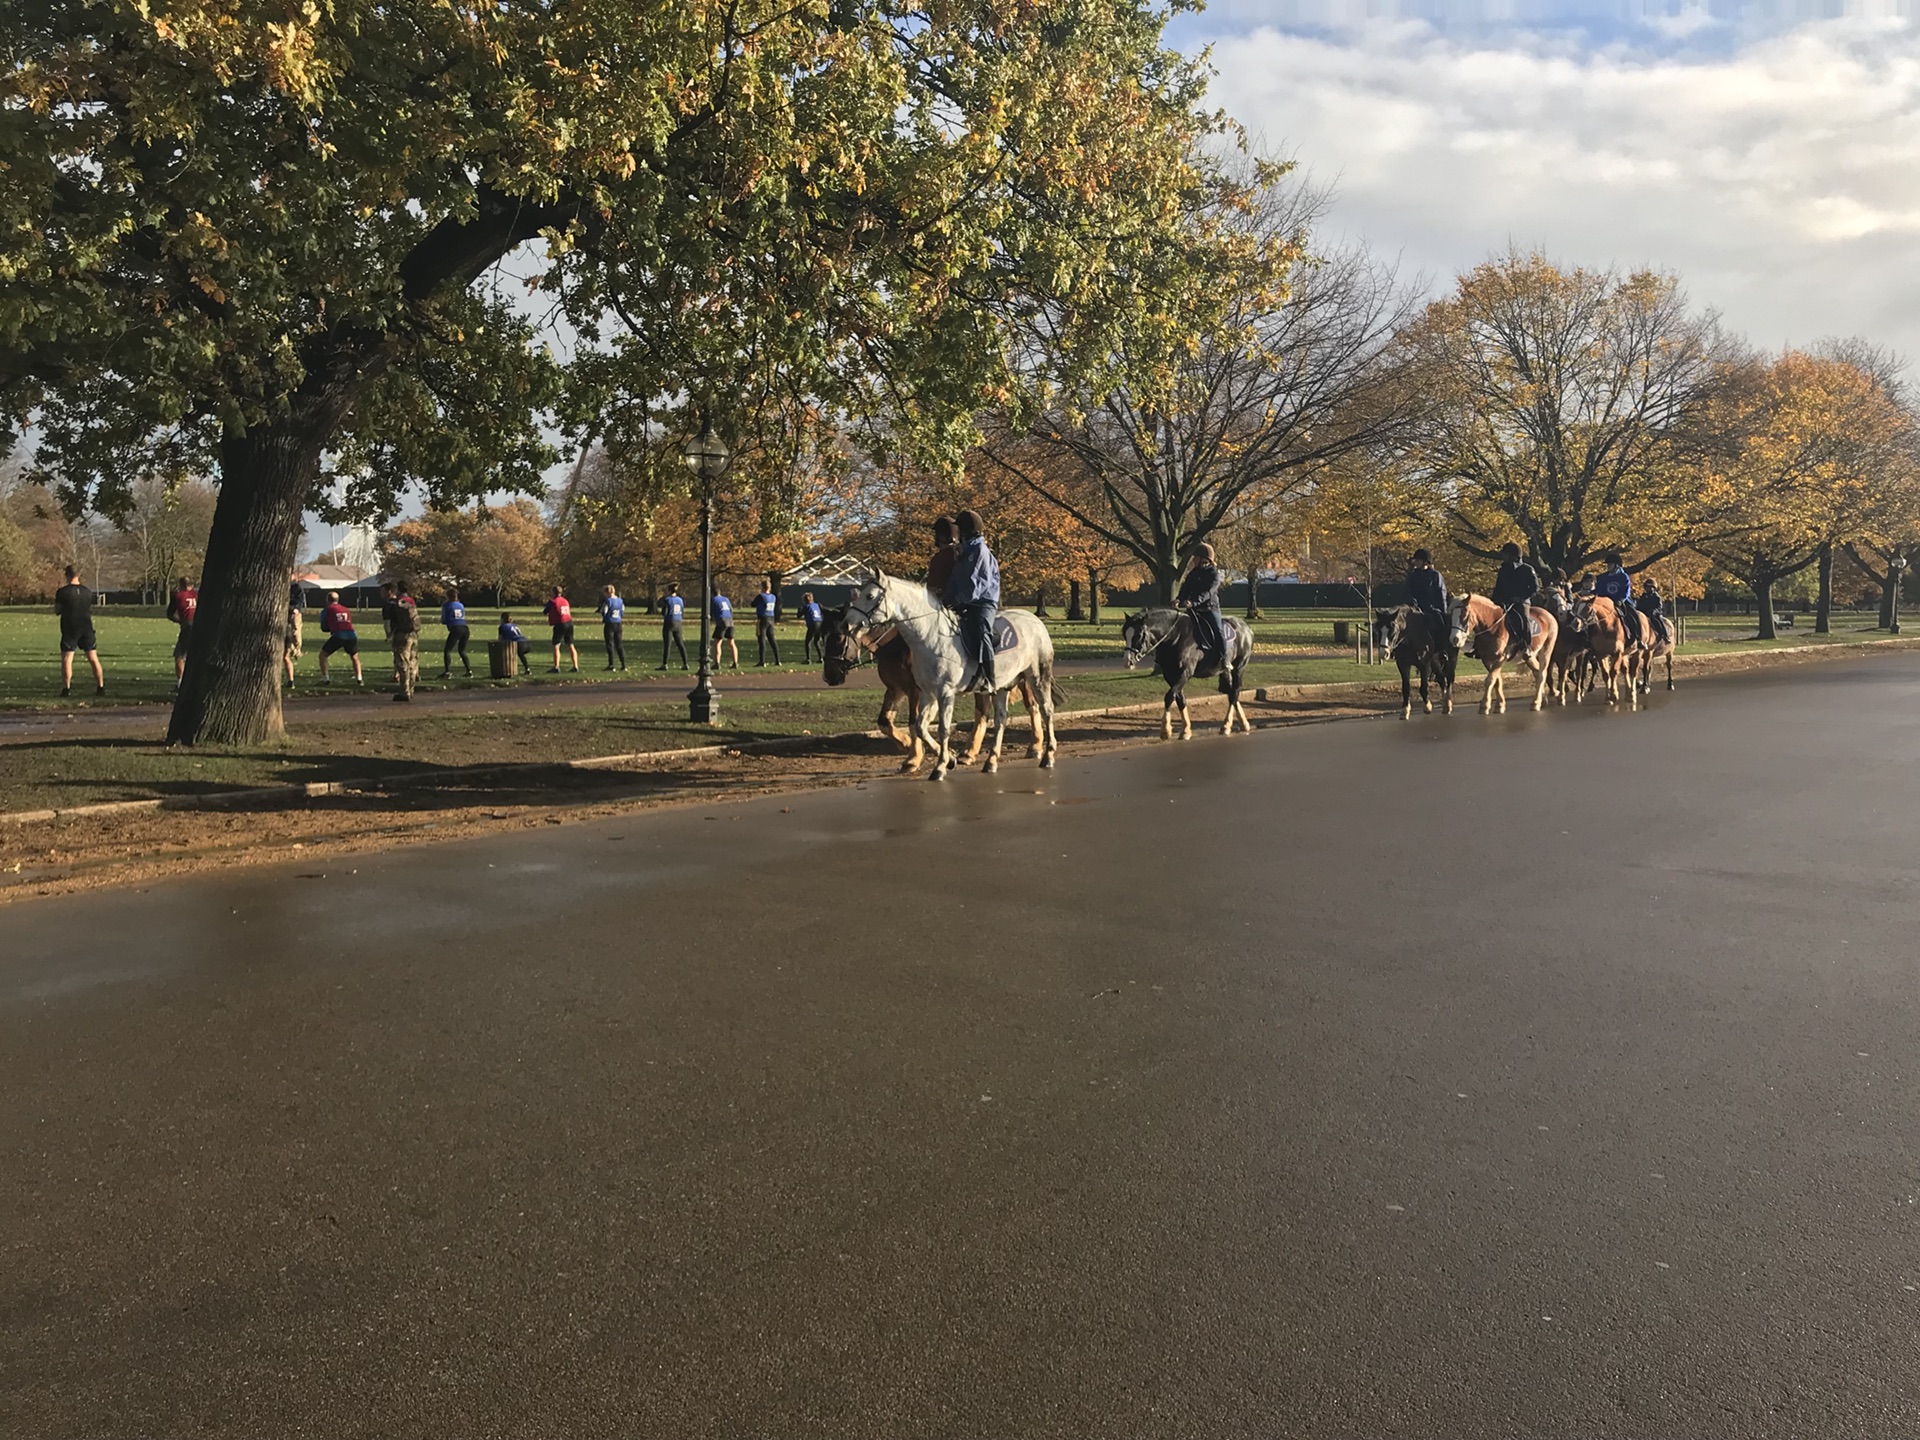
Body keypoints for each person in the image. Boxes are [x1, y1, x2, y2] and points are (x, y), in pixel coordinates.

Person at [943, 509, 1001, 692]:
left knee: (982, 631)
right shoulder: (963, 551)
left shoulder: (980, 551)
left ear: (967, 531)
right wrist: (946, 599)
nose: (958, 534)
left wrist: (960, 599)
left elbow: (980, 584)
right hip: (964, 600)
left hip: (984, 601)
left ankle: (989, 678)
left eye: (960, 530)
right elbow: (954, 578)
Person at [1176, 543, 1229, 680]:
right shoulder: (1193, 573)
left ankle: (1225, 659)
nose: (1193, 560)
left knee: (1218, 631)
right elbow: (1186, 588)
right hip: (1194, 609)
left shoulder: (1214, 575)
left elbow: (1208, 593)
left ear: (1203, 559)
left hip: (1210, 609)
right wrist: (1178, 599)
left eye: (1195, 558)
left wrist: (1194, 602)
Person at [53, 565, 104, 698]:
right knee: (93, 658)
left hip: (70, 628)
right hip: (86, 627)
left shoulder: (62, 592)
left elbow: (57, 610)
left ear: (66, 575)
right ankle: (100, 687)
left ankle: (66, 689)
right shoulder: (87, 592)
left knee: (67, 659)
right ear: (78, 575)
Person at [1490, 542, 1540, 658]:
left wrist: (1521, 598)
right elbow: (1498, 588)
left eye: (1505, 555)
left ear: (1514, 556)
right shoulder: (1503, 570)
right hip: (1504, 600)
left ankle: (1526, 645)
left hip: (1521, 601)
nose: (1503, 557)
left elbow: (1535, 587)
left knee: (1523, 618)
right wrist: (1493, 601)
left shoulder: (1527, 569)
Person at [381, 579, 420, 701]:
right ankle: (411, 689)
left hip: (401, 635)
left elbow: (388, 622)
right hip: (413, 634)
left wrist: (389, 636)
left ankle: (404, 691)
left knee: (403, 663)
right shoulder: (410, 601)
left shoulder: (394, 603)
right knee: (413, 662)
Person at [317, 590, 364, 685]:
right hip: (351, 634)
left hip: (338, 635)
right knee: (354, 657)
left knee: (323, 655)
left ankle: (325, 678)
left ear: (327, 600)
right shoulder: (346, 609)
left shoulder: (327, 609)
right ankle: (359, 679)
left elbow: (324, 627)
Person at [1594, 551, 1642, 643]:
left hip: (1622, 601)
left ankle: (1638, 637)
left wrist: (1620, 600)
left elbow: (1626, 591)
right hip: (1607, 603)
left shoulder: (1623, 577)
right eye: (1608, 564)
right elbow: (1600, 590)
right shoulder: (1604, 577)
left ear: (1616, 565)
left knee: (1633, 615)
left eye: (1610, 564)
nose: (1608, 566)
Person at [1406, 548, 1449, 643]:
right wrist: (1411, 600)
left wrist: (1443, 611)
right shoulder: (1412, 576)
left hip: (1432, 609)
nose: (1415, 562)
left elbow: (1441, 593)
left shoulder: (1435, 576)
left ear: (1425, 562)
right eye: (1415, 560)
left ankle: (1442, 650)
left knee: (1441, 626)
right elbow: (1408, 590)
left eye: (1418, 560)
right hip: (1415, 608)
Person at [165, 576, 198, 690]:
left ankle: (181, 683)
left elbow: (170, 614)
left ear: (181, 585)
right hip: (199, 625)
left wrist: (179, 621)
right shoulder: (197, 595)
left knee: (179, 655)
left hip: (187, 626)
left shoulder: (178, 596)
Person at [544, 587, 579, 673]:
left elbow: (545, 611)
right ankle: (575, 665)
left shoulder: (553, 601)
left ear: (553, 593)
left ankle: (556, 667)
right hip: (569, 622)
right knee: (570, 644)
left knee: (556, 645)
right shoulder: (565, 600)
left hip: (560, 624)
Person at [440, 586, 472, 678]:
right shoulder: (461, 605)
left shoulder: (446, 605)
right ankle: (469, 670)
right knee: (462, 650)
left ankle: (447, 672)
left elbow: (444, 619)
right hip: (465, 627)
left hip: (456, 628)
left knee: (447, 650)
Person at [659, 584, 689, 670]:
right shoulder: (680, 600)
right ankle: (685, 663)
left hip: (669, 621)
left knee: (667, 644)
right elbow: (682, 612)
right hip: (678, 622)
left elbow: (664, 612)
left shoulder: (667, 599)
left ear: (669, 591)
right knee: (680, 644)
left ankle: (665, 664)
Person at [598, 584, 627, 671]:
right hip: (618, 623)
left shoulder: (608, 601)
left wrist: (604, 616)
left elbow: (604, 611)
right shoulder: (620, 600)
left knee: (610, 644)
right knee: (619, 644)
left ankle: (611, 665)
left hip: (609, 623)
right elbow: (622, 611)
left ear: (607, 592)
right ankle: (623, 664)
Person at [926, 516, 958, 594]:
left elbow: (931, 588)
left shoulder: (939, 559)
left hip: (942, 602)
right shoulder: (962, 554)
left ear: (941, 536)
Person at [710, 589, 739, 670]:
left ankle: (717, 663)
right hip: (730, 620)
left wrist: (712, 618)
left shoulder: (713, 599)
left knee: (717, 643)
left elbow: (710, 610)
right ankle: (735, 662)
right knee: (731, 643)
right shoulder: (726, 599)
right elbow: (730, 610)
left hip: (722, 621)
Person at [753, 583, 780, 666]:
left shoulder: (761, 596)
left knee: (761, 640)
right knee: (772, 639)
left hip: (762, 618)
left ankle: (762, 661)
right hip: (771, 618)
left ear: (763, 587)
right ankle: (778, 660)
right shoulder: (773, 597)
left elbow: (753, 604)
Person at [284, 583, 305, 686]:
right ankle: (290, 681)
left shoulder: (296, 588)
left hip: (291, 621)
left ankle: (291, 680)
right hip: (287, 624)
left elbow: (299, 601)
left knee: (285, 656)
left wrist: (295, 608)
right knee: (285, 656)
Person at [1640, 576, 1670, 643]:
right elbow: (1639, 605)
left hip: (1654, 613)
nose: (1649, 588)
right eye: (1647, 587)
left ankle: (1664, 635)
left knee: (1658, 620)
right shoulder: (1643, 596)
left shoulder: (1656, 597)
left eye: (1651, 587)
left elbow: (1659, 607)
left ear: (1654, 588)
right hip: (1644, 613)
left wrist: (1654, 611)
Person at [800, 590, 826, 663]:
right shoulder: (816, 605)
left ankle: (808, 659)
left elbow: (799, 615)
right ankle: (821, 658)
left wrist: (799, 609)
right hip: (820, 623)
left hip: (813, 624)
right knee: (816, 641)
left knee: (808, 642)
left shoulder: (806, 606)